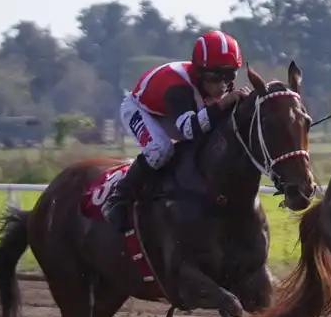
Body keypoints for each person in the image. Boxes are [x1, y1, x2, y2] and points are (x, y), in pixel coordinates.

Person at [100, 29, 247, 233]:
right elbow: (189, 129)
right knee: (160, 150)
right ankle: (118, 198)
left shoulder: (221, 85)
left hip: (177, 113)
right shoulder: (178, 86)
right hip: (143, 110)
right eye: (216, 75)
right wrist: (225, 104)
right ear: (200, 71)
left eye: (229, 74)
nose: (223, 84)